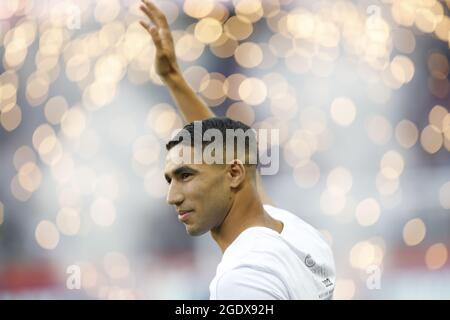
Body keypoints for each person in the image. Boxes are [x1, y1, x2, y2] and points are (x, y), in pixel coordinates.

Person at [139, 0, 335, 299]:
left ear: (233, 173)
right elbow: (224, 153)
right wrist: (174, 77)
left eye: (185, 175)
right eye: (171, 180)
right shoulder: (297, 233)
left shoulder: (244, 277)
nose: (172, 197)